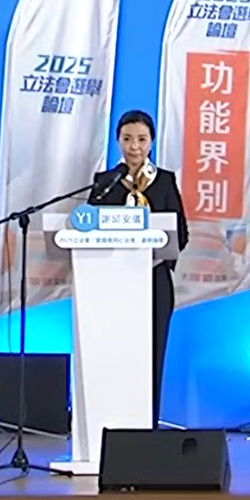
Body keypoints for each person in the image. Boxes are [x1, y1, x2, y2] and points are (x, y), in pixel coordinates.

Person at [89, 109, 189, 422]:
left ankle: (148, 425)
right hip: (112, 282)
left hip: (154, 279)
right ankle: (110, 422)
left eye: (142, 139)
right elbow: (87, 226)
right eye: (127, 139)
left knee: (152, 354)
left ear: (151, 142)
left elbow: (181, 233)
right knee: (114, 354)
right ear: (118, 141)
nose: (134, 146)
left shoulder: (165, 181)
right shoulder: (105, 182)